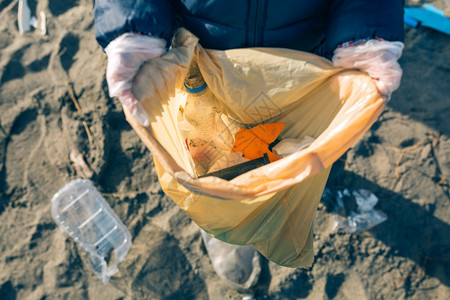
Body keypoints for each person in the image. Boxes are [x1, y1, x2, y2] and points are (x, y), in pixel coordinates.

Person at [93, 0, 405, 295]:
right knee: (207, 154)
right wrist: (132, 23)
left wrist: (365, 33)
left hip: (306, 55)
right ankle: (228, 228)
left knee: (314, 148)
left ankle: (298, 193)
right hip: (204, 53)